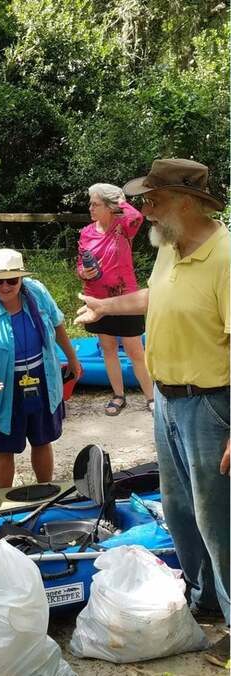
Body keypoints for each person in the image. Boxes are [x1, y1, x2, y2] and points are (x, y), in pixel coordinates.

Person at [75, 159, 228, 664]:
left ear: (184, 202)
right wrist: (105, 309)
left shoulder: (225, 257)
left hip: (212, 405)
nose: (143, 210)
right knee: (180, 511)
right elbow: (155, 297)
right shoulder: (171, 247)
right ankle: (204, 602)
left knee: (219, 520)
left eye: (151, 199)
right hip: (167, 399)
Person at [0, 249, 82, 489]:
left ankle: (45, 491)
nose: (5, 286)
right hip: (3, 385)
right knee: (3, 447)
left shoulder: (36, 292)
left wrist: (72, 359)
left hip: (41, 376)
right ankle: (4, 499)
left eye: (12, 280)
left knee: (42, 439)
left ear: (21, 278)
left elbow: (57, 324)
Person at [77, 183, 154, 415]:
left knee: (134, 350)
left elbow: (137, 215)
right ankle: (118, 396)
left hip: (126, 298)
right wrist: (83, 272)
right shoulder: (86, 232)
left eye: (96, 204)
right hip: (96, 300)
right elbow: (80, 263)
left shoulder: (123, 227)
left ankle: (151, 397)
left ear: (109, 207)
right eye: (90, 203)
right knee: (107, 348)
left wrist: (119, 200)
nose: (90, 207)